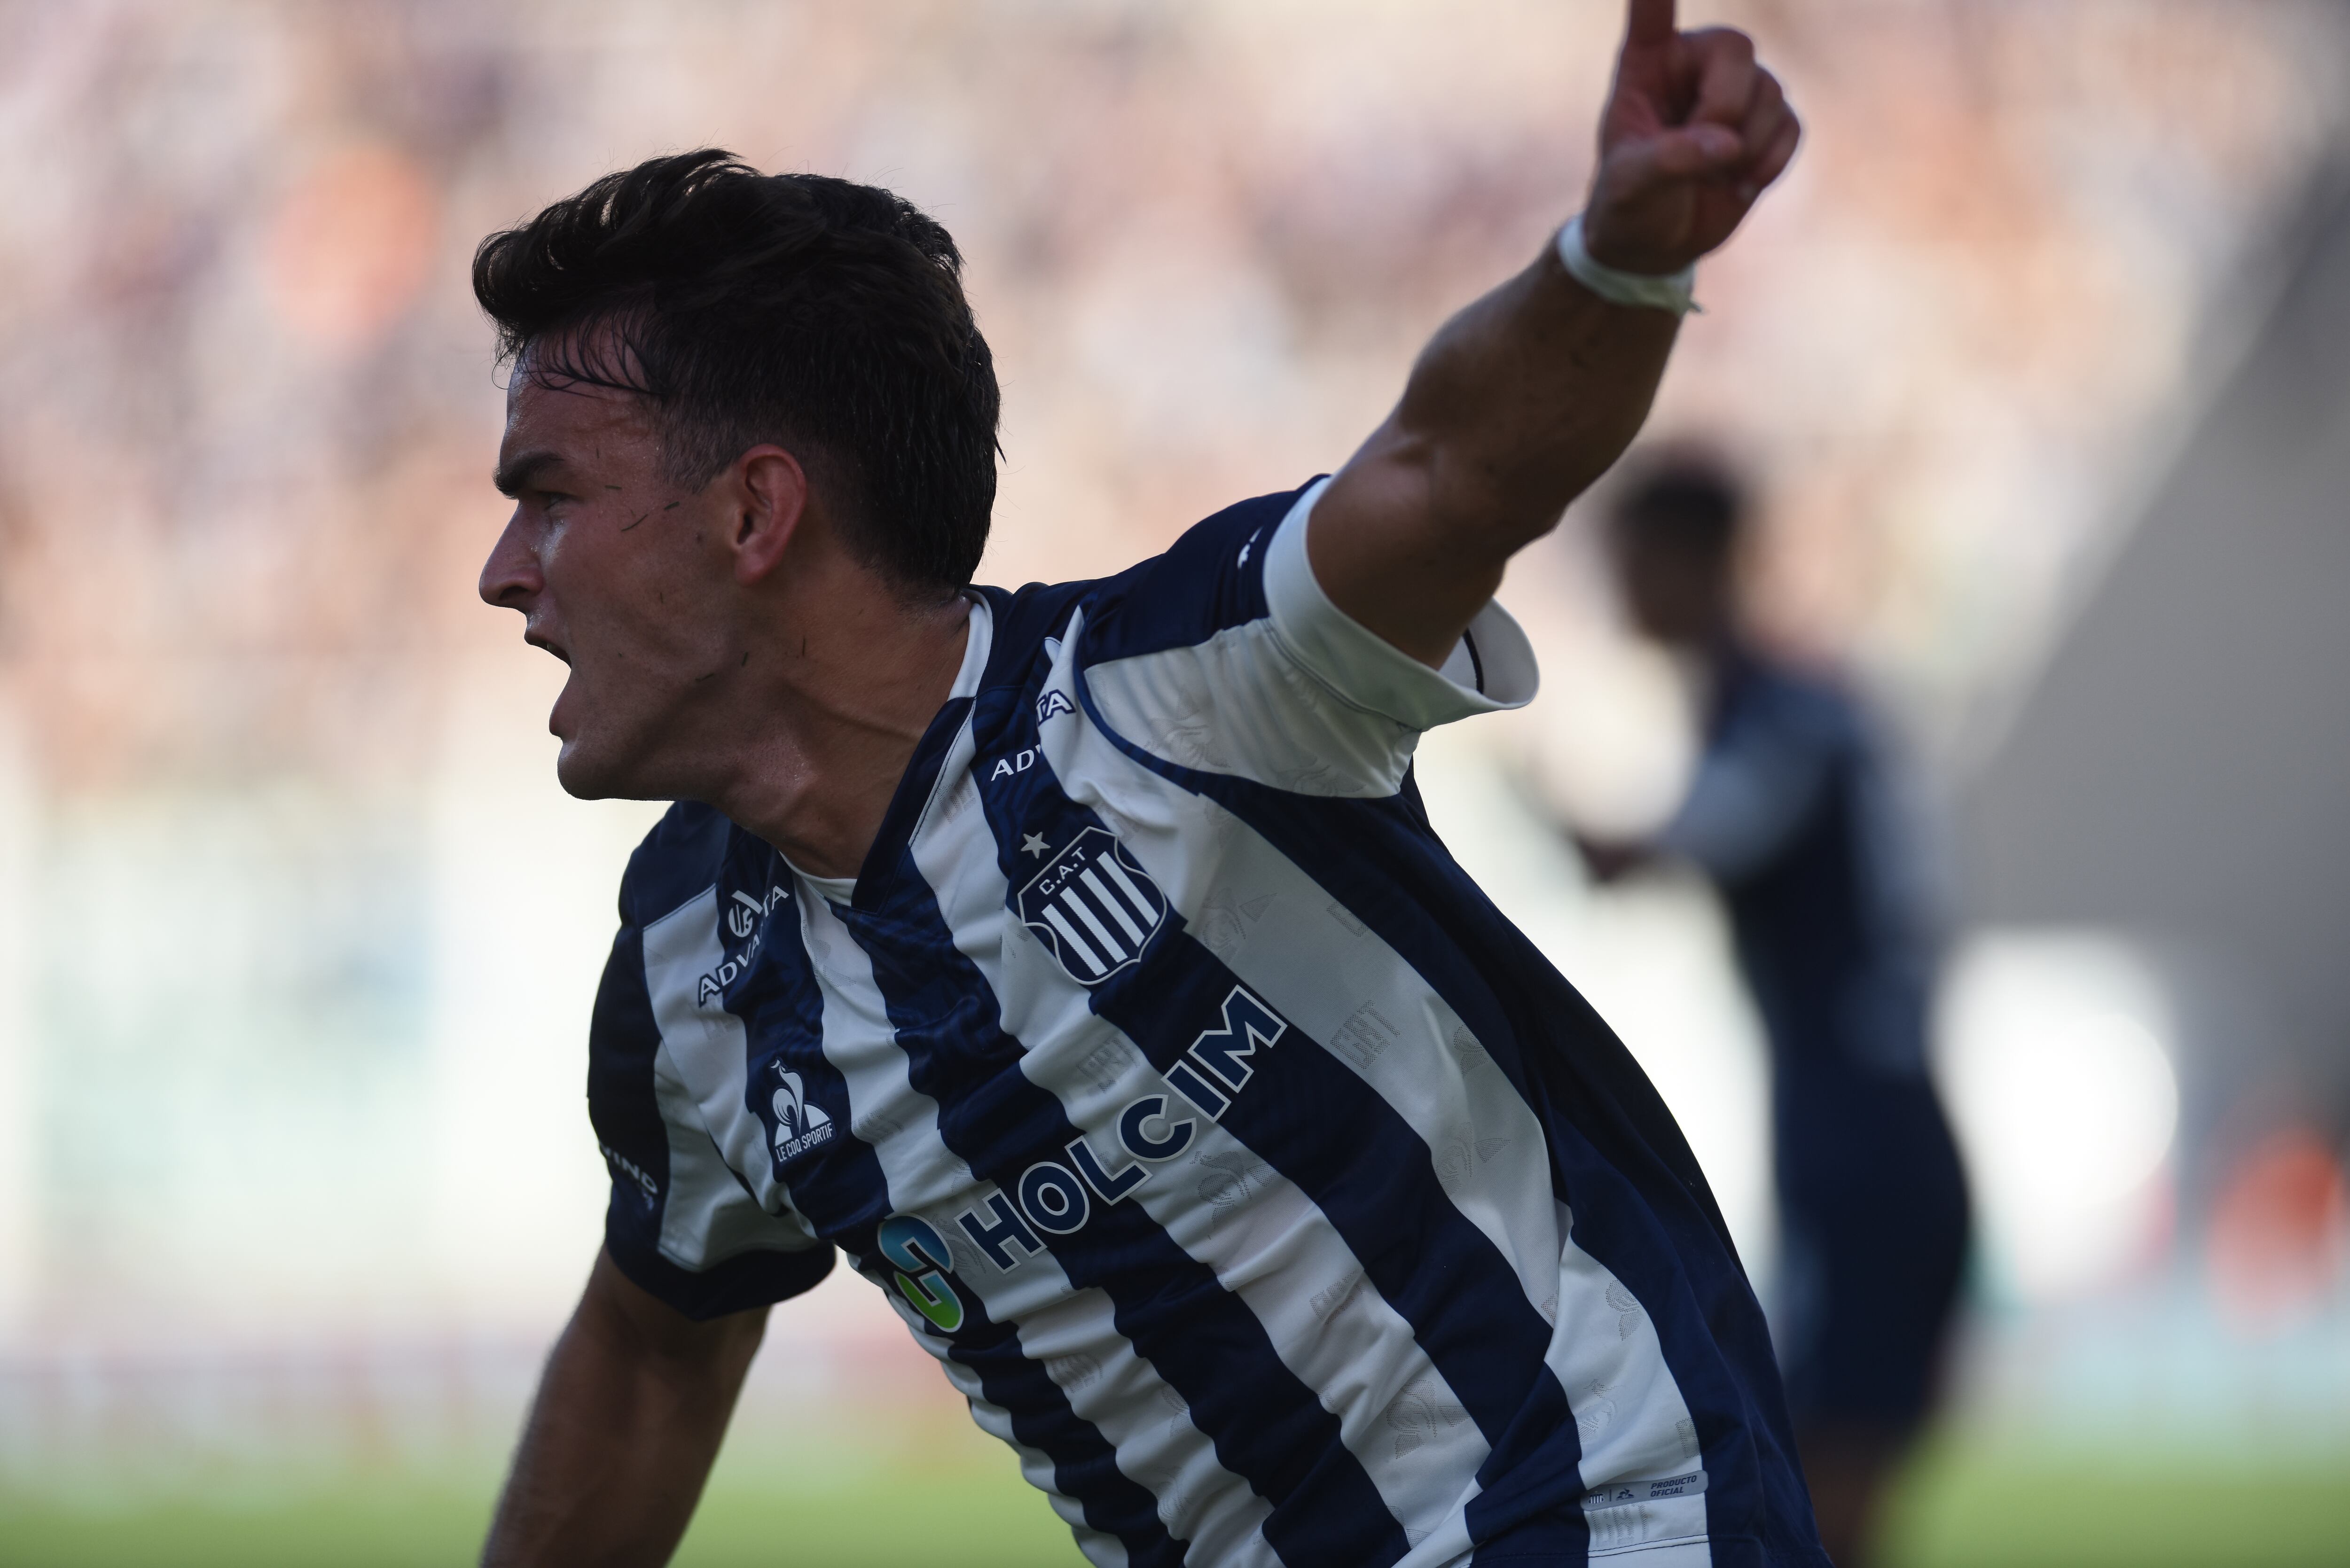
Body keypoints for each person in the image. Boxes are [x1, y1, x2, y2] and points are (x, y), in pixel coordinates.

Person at [472, 4, 1814, 1564]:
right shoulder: (696, 965)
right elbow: (651, 1351)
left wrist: (1620, 259)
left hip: (1597, 1515)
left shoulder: (1176, 689)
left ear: (755, 513)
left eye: (550, 497)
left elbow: (1457, 466)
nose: (506, 574)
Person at [1572, 457, 1970, 1568]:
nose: (1622, 588)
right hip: (1875, 1118)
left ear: (1696, 561)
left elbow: (1650, 853)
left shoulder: (1777, 710)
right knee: (1816, 1478)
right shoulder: (1797, 704)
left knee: (1817, 1488)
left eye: (1635, 559)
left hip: (1862, 1138)